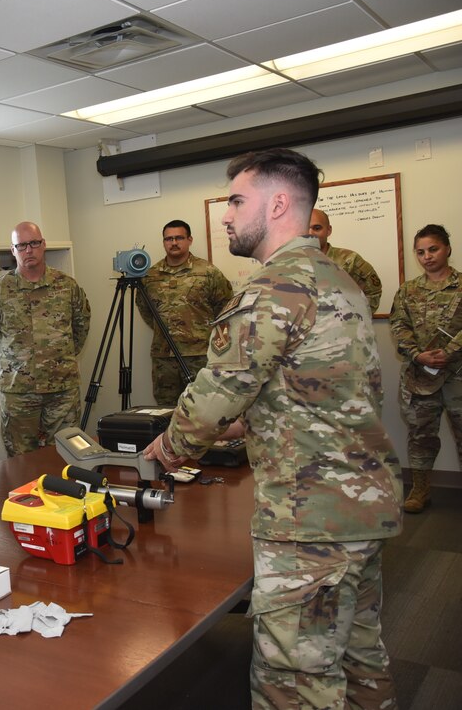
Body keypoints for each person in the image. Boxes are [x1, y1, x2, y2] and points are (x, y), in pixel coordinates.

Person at [143, 148, 402, 708]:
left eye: (237, 201)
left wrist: (170, 446)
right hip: (361, 506)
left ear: (279, 203)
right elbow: (331, 395)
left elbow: (213, 398)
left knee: (296, 680)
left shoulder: (272, 289)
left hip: (307, 523)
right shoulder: (340, 279)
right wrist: (246, 430)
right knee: (359, 659)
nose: (228, 215)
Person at [0, 221, 90, 456]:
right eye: (22, 245)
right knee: (20, 458)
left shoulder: (67, 286)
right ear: (13, 250)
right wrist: (11, 360)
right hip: (18, 390)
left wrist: (61, 357)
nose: (29, 250)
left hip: (62, 388)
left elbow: (81, 325)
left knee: (66, 453)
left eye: (34, 243)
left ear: (43, 245)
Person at [388, 223, 462, 514]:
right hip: (420, 376)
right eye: (420, 252)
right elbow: (398, 326)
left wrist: (449, 352)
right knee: (420, 435)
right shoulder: (408, 291)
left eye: (433, 249)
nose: (427, 256)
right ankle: (420, 489)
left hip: (457, 374)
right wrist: (419, 355)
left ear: (447, 250)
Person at [136, 219, 232, 405]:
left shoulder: (208, 272)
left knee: (203, 408)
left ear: (189, 240)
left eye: (179, 238)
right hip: (163, 358)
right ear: (163, 242)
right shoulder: (150, 276)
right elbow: (147, 312)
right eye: (168, 239)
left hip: (200, 356)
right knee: (166, 411)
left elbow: (225, 309)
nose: (173, 243)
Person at [309, 208, 383, 312]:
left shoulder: (350, 261)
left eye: (317, 228)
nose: (310, 233)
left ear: (328, 230)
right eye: (305, 228)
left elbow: (373, 292)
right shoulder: (289, 262)